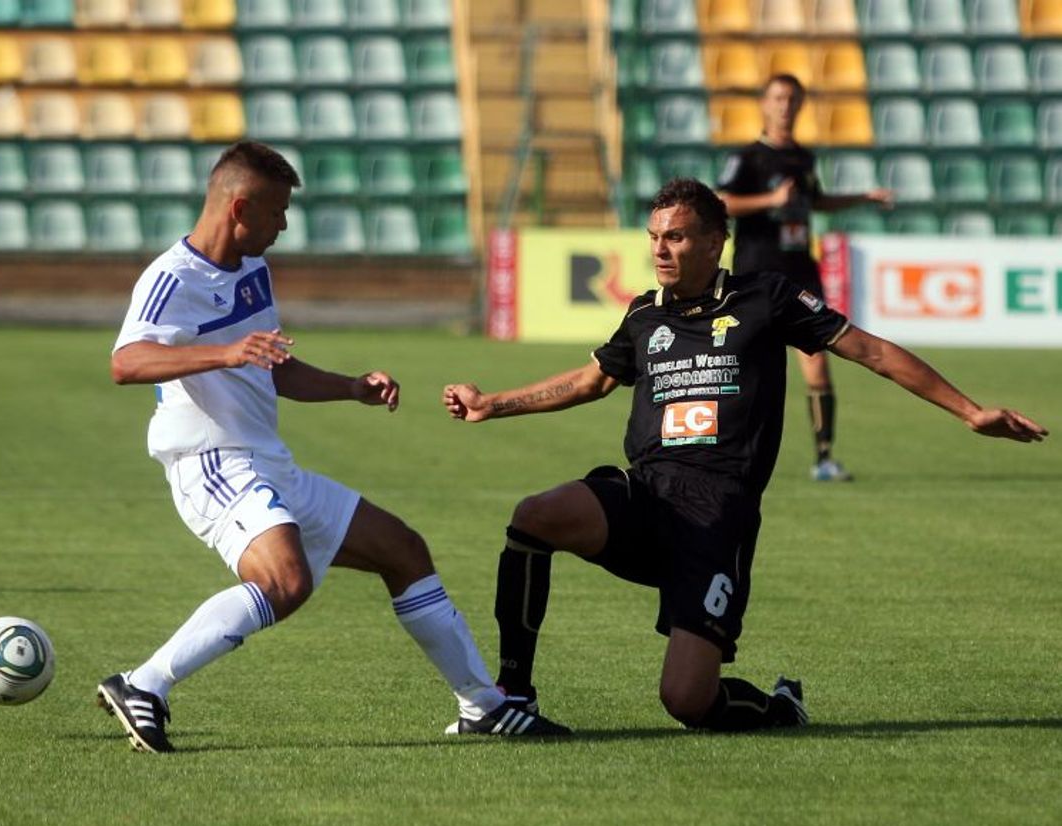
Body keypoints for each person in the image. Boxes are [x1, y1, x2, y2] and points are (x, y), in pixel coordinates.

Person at [442, 178, 1046, 733]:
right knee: (535, 515)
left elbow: (872, 351)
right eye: (653, 237)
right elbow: (592, 380)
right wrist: (491, 404)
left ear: (714, 242)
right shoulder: (644, 313)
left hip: (716, 516)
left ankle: (779, 706)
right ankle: (512, 698)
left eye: (675, 236)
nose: (660, 249)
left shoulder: (767, 297)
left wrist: (970, 412)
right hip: (647, 495)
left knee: (686, 701)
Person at [98, 140, 568, 753]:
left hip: (266, 463)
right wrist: (226, 351)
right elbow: (126, 361)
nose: (284, 224)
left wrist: (351, 387)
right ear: (240, 207)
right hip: (211, 462)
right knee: (285, 582)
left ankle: (482, 706)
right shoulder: (171, 278)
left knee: (403, 550)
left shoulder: (253, 272)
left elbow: (275, 370)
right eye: (277, 212)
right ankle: (144, 685)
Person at [717, 73, 895, 482]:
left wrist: (863, 197)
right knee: (740, 369)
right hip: (755, 273)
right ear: (764, 104)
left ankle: (825, 458)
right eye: (778, 98)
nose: (786, 106)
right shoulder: (748, 157)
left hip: (799, 274)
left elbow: (817, 201)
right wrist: (771, 200)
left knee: (818, 367)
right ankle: (727, 455)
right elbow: (721, 201)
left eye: (793, 99)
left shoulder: (803, 158)